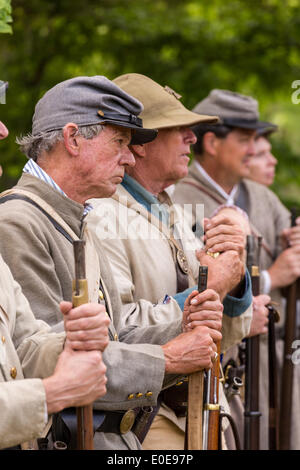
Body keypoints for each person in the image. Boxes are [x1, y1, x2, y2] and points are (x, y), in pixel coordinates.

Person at [0, 76, 222, 450]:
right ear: (72, 140)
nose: (130, 156)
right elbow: (44, 360)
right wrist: (167, 359)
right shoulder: (19, 221)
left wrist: (181, 325)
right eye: (119, 141)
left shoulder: (78, 217)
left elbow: (114, 337)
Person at [86, 73, 258, 450]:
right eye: (177, 128)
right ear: (141, 143)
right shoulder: (99, 216)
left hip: (200, 411)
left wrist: (236, 276)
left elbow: (222, 335)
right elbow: (117, 334)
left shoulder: (169, 209)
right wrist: (210, 287)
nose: (191, 139)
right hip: (144, 424)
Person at [173, 89, 300, 449]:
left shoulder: (261, 196)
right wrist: (273, 277)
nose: (254, 149)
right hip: (218, 372)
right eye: (246, 139)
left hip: (273, 365)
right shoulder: (179, 200)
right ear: (212, 143)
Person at [0, 116, 110, 450]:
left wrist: (70, 343)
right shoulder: (17, 218)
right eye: (119, 141)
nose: (3, 129)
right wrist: (52, 393)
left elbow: (24, 344)